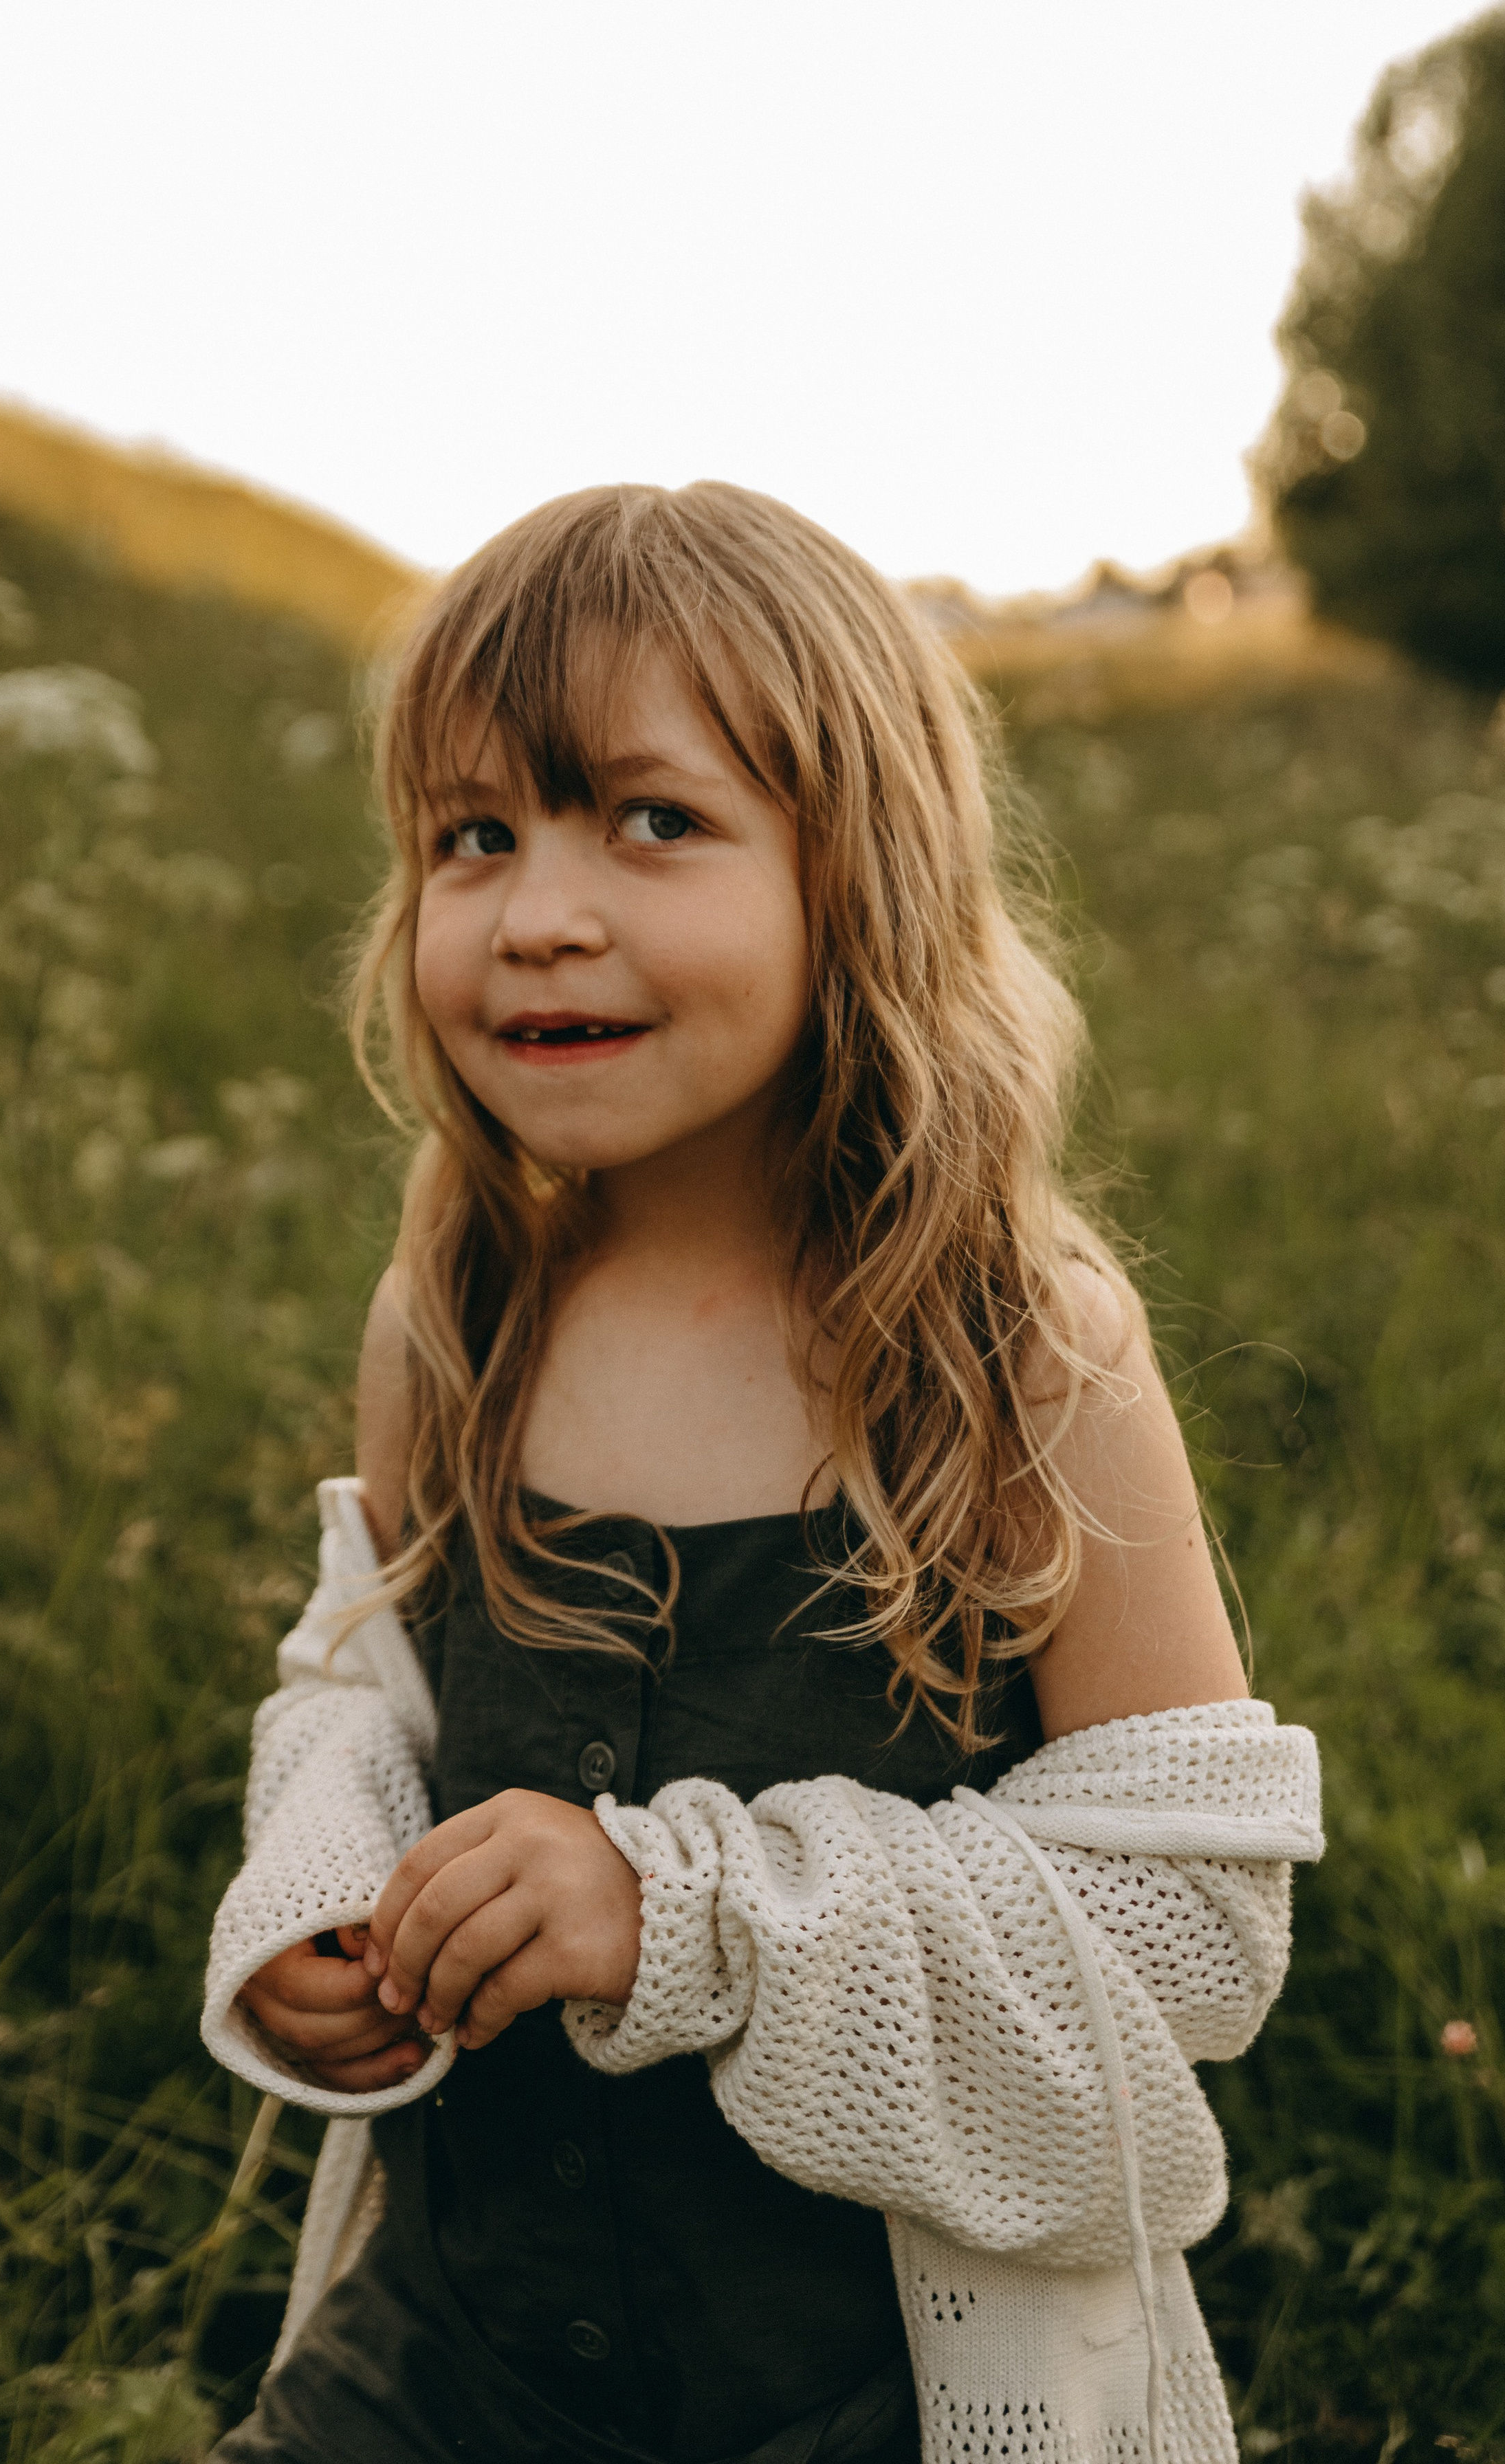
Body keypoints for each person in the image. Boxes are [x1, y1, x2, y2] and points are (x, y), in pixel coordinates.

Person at [200, 482, 1323, 2464]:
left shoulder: (1021, 1352)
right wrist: (320, 1892)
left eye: (650, 818)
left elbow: (1188, 1939)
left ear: (859, 873)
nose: (539, 905)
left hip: (875, 2379)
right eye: (474, 835)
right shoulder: (454, 1315)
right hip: (456, 2355)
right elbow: (359, 1687)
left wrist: (687, 1910)